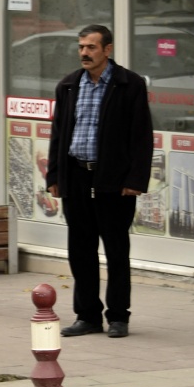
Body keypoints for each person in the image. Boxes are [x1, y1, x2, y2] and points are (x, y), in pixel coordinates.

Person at [45, 24, 153, 339]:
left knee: (116, 251)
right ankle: (87, 315)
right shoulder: (68, 85)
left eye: (91, 47)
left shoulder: (128, 84)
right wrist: (54, 175)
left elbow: (141, 136)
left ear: (107, 49)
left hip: (114, 181)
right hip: (76, 177)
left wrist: (135, 178)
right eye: (81, 47)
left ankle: (118, 316)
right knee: (80, 251)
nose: (84, 53)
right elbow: (57, 134)